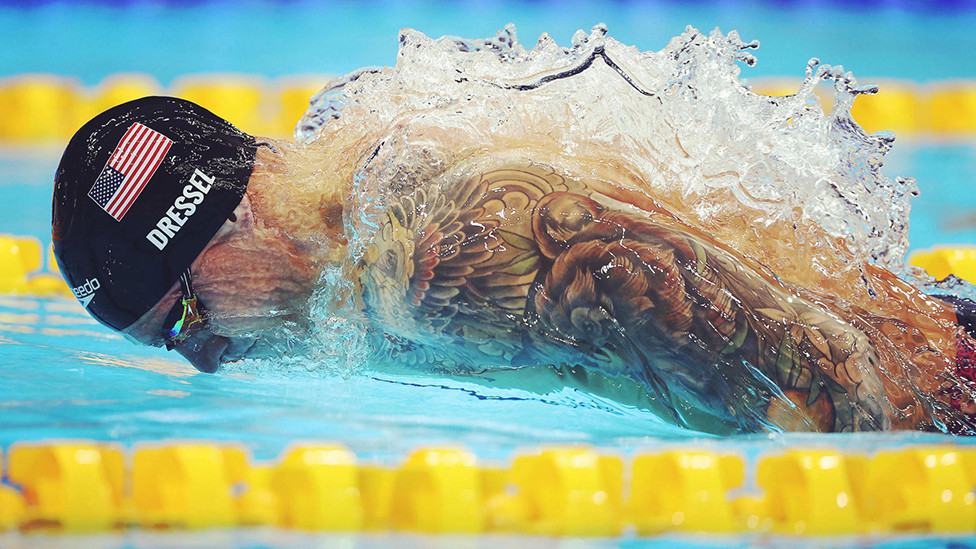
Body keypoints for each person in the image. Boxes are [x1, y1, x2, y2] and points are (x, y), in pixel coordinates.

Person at [53, 96, 976, 435]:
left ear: (235, 216)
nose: (202, 354)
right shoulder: (342, 216)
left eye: (180, 318)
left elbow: (839, 379)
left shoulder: (434, 262)